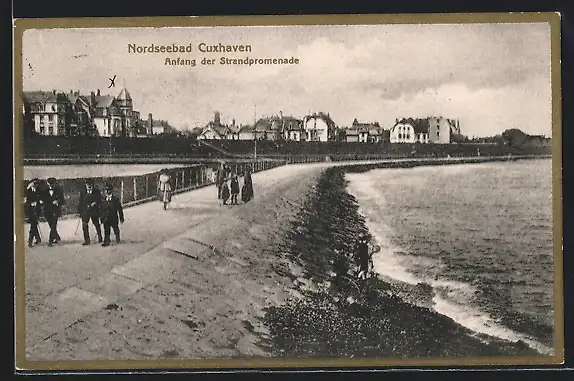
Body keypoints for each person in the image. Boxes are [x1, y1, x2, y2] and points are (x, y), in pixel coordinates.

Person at [78, 178, 103, 245]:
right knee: (84, 225)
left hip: (94, 211)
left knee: (96, 224)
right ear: (85, 184)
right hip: (85, 211)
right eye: (87, 184)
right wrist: (80, 211)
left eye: (90, 184)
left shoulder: (96, 191)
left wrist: (95, 203)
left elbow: (100, 200)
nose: (89, 186)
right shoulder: (82, 192)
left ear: (92, 184)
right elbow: (80, 202)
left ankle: (100, 237)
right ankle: (87, 240)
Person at [41, 177, 65, 247]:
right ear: (47, 184)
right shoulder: (44, 191)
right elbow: (42, 200)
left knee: (53, 225)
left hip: (55, 211)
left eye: (53, 184)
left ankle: (50, 241)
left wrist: (58, 201)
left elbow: (63, 201)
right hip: (47, 211)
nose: (51, 185)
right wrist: (42, 201)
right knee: (52, 226)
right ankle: (57, 237)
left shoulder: (59, 190)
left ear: (55, 183)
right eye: (50, 184)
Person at [24, 178, 43, 247]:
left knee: (33, 225)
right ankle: (34, 239)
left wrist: (37, 202)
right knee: (34, 225)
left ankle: (33, 240)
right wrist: (31, 204)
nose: (36, 185)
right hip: (30, 211)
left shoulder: (39, 191)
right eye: (35, 184)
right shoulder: (27, 191)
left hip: (37, 211)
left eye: (37, 184)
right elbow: (26, 202)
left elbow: (41, 200)